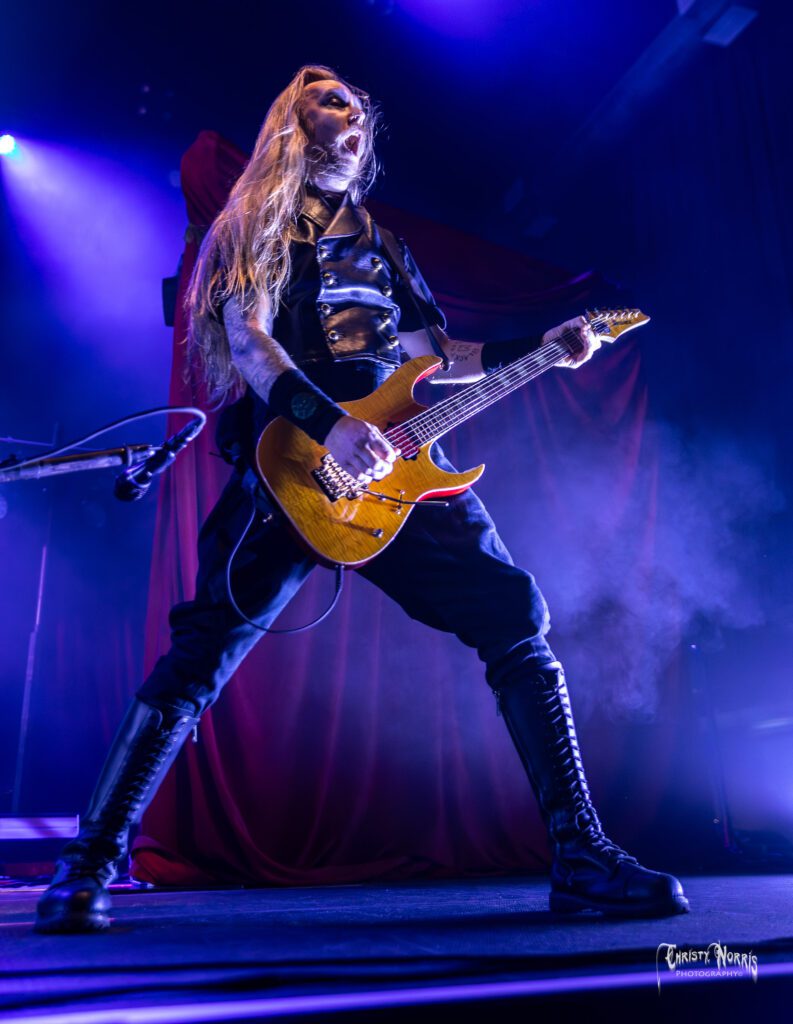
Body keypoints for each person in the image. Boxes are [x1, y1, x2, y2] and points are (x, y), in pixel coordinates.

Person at [35, 65, 688, 934]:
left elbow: (436, 358)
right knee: (200, 656)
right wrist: (330, 424)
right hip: (290, 459)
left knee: (513, 615)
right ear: (292, 123)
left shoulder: (382, 243)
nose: (350, 112)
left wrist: (544, 344)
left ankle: (580, 855)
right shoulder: (250, 222)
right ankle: (88, 864)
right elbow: (250, 343)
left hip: (400, 465)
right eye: (328, 100)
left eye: (355, 106)